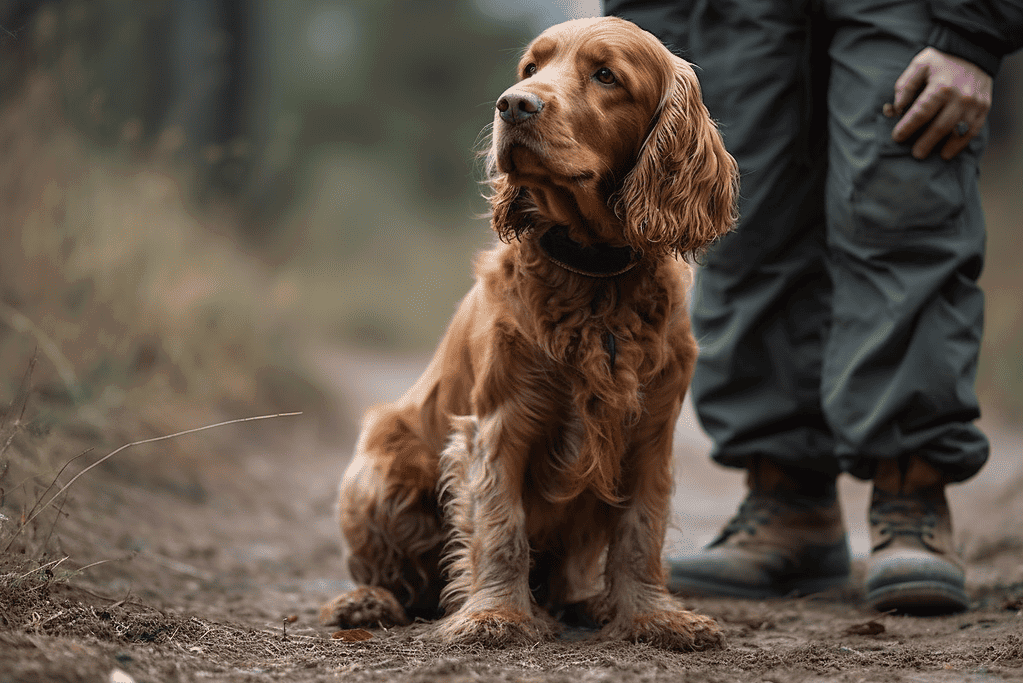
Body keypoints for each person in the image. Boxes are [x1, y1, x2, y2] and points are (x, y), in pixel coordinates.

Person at [602, 0, 1023, 614]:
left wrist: (972, 32)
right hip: (733, 16)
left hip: (910, 10)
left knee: (904, 207)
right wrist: (641, 41)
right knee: (745, 220)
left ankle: (912, 501)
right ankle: (787, 503)